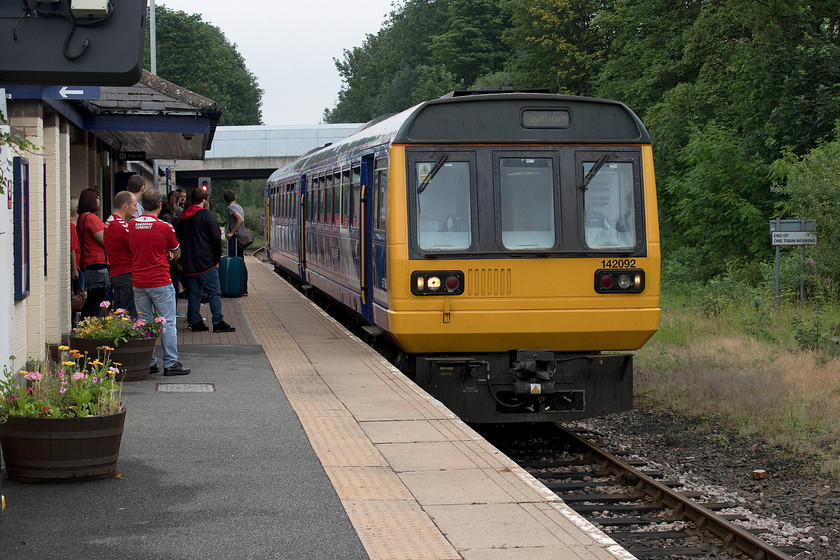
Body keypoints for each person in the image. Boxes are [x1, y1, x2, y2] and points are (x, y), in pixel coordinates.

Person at [129, 189, 190, 376]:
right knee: (167, 322)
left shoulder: (131, 225)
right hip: (160, 281)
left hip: (139, 281)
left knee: (143, 321)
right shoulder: (165, 227)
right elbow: (177, 252)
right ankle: (170, 363)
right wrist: (168, 252)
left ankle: (149, 361)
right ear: (159, 205)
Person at [178, 188, 236, 333]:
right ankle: (217, 321)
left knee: (194, 293)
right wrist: (217, 258)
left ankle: (195, 321)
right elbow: (216, 239)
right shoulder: (206, 216)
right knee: (214, 292)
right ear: (204, 200)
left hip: (189, 263)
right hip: (206, 262)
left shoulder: (183, 217)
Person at [76, 188, 110, 319]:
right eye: (98, 198)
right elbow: (105, 240)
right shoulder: (91, 218)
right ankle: (91, 326)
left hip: (89, 262)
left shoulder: (82, 218)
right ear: (91, 200)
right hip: (98, 263)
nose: (99, 201)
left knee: (92, 299)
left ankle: (87, 325)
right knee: (97, 299)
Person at [104, 191, 138, 318]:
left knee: (120, 312)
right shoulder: (121, 226)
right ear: (125, 206)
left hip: (117, 272)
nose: (136, 209)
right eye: (134, 205)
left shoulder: (111, 221)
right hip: (126, 274)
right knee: (130, 314)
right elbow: (136, 247)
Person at [224, 189, 249, 296]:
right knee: (241, 262)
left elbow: (240, 219)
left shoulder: (231, 208)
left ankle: (237, 288)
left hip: (235, 239)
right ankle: (243, 288)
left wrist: (232, 232)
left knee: (235, 262)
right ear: (235, 197)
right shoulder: (239, 206)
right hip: (240, 238)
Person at [70, 197, 81, 328]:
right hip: (77, 266)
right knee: (76, 299)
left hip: (78, 264)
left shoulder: (75, 224)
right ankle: (74, 326)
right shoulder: (72, 226)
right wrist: (74, 268)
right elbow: (72, 248)